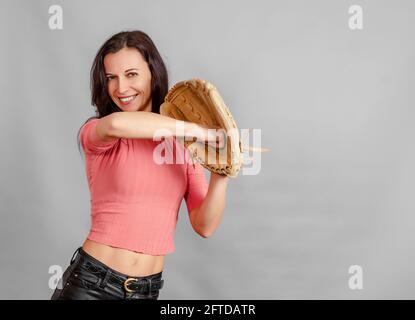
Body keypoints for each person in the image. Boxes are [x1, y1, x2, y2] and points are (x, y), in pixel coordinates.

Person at [51, 30, 229, 300]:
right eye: (111, 77)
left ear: (153, 73)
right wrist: (200, 131)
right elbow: (116, 123)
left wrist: (222, 172)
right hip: (92, 285)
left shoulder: (182, 146)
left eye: (131, 74)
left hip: (147, 291)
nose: (121, 88)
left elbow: (205, 225)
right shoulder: (99, 132)